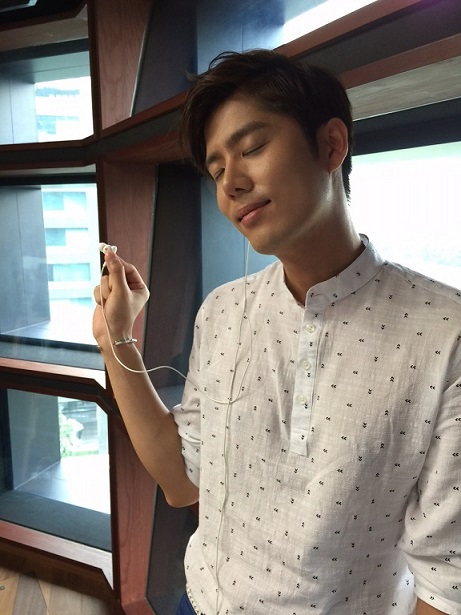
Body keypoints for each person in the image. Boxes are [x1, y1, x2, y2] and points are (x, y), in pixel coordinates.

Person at [93, 50, 461, 615]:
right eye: (217, 170)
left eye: (251, 148)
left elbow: (446, 584)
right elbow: (183, 480)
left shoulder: (444, 333)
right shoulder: (223, 311)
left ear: (331, 145)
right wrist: (113, 337)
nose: (232, 184)